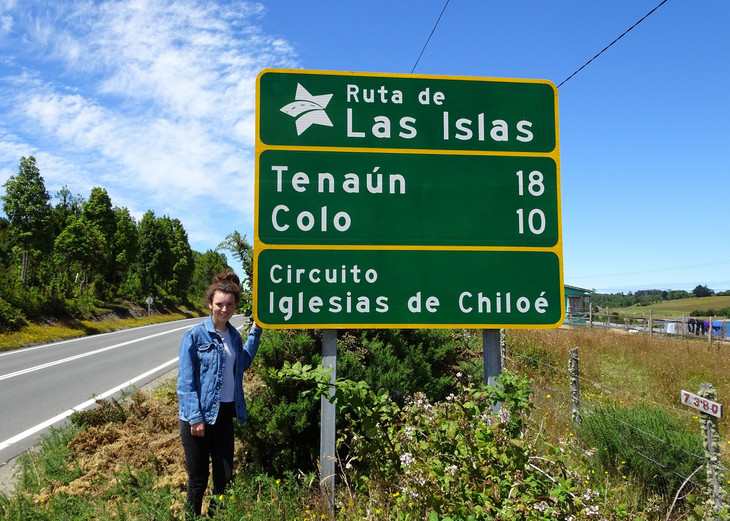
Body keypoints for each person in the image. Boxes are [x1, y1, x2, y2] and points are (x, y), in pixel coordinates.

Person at [177, 272, 262, 518]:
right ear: (210, 304)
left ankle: (216, 517)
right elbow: (185, 382)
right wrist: (195, 417)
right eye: (219, 304)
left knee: (224, 479)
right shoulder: (194, 335)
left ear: (235, 306)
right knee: (198, 481)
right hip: (199, 417)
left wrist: (255, 332)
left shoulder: (234, 336)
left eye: (229, 304)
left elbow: (241, 364)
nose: (224, 309)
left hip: (225, 414)